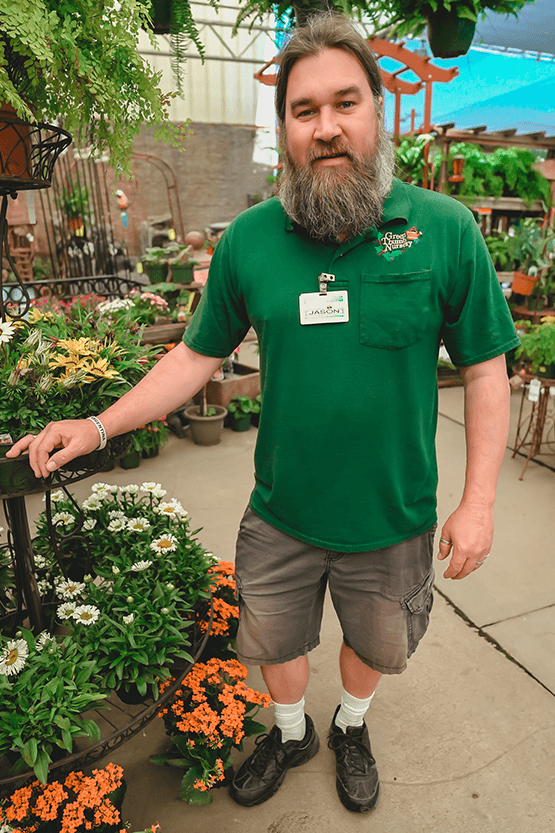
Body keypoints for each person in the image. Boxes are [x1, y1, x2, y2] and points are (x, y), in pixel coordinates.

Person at [8, 12, 519, 815]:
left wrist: (479, 501)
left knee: (372, 643)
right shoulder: (252, 239)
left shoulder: (443, 231)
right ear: (283, 127)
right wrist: (99, 424)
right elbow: (192, 357)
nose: (325, 127)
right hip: (281, 512)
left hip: (393, 517)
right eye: (304, 109)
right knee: (273, 640)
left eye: (344, 103)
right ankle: (289, 732)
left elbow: (487, 368)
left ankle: (350, 723)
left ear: (375, 110)